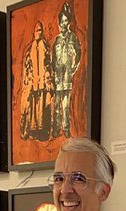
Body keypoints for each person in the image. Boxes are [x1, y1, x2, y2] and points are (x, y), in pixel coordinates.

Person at [51, 3, 81, 138]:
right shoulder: (56, 40)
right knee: (56, 106)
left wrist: (74, 68)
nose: (63, 24)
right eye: (61, 22)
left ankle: (66, 129)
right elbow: (52, 59)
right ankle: (56, 129)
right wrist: (53, 74)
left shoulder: (73, 38)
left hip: (67, 76)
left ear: (68, 22)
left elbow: (79, 53)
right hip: (57, 77)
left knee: (65, 106)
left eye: (65, 21)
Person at [20, 21, 53, 141]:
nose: (38, 33)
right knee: (33, 107)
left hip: (43, 83)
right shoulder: (30, 49)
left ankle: (42, 130)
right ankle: (32, 130)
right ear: (33, 33)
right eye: (37, 30)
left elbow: (48, 64)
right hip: (32, 83)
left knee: (42, 106)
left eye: (40, 30)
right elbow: (27, 66)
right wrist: (28, 81)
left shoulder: (46, 47)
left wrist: (48, 79)